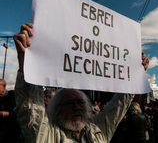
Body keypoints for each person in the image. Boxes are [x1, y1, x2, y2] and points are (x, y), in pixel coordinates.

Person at [13, 23, 150, 143]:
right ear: (56, 110)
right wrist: (27, 62)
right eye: (70, 103)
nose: (77, 107)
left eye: (81, 102)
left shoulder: (97, 129)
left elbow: (119, 105)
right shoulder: (48, 135)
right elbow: (31, 108)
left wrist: (135, 74)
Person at [0, 79, 21, 143]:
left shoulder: (13, 96)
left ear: (4, 86)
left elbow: (20, 113)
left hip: (12, 132)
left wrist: (8, 114)